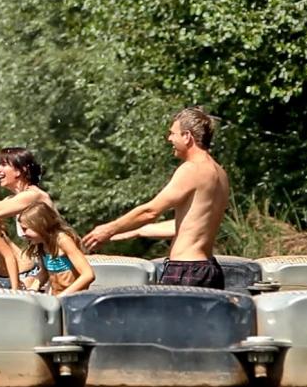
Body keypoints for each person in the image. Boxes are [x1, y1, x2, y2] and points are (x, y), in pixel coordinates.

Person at [82, 106, 229, 288]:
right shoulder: (219, 173)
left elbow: (150, 211)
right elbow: (191, 226)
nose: (169, 139)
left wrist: (108, 229)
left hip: (186, 269)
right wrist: (138, 231)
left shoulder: (192, 169)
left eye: (172, 133)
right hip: (209, 270)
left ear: (187, 136)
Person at [17, 201, 95, 296]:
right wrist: (32, 289)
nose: (23, 234)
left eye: (25, 229)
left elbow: (88, 275)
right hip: (55, 296)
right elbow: (44, 273)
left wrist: (61, 297)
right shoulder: (41, 244)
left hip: (73, 298)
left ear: (39, 225)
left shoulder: (63, 241)